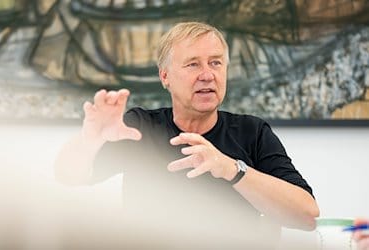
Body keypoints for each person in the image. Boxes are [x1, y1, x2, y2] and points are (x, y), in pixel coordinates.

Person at [54, 21, 319, 248]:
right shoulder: (140, 127)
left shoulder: (252, 132)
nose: (207, 75)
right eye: (193, 64)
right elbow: (68, 174)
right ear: (165, 76)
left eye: (215, 63)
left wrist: (232, 169)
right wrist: (89, 140)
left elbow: (307, 215)